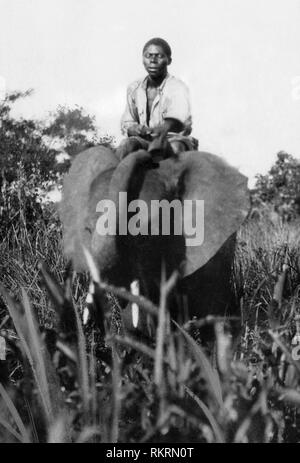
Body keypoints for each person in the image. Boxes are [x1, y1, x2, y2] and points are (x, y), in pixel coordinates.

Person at [116, 37, 198, 161]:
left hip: (172, 139)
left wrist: (166, 126)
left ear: (169, 60)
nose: (153, 60)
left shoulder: (178, 87)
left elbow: (179, 119)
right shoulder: (134, 88)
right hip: (144, 141)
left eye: (159, 56)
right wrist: (135, 128)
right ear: (143, 59)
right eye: (148, 56)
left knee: (176, 149)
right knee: (126, 146)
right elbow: (128, 121)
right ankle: (115, 180)